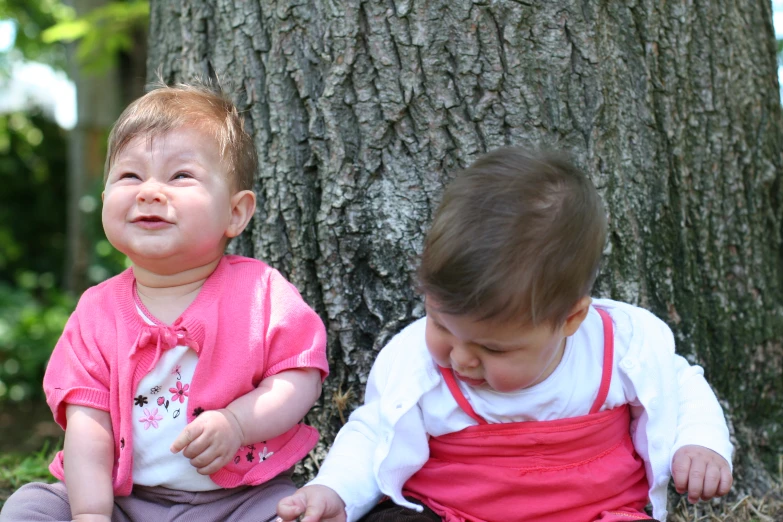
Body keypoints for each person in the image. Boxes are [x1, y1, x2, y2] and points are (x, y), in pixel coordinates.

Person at [275, 148, 734, 522]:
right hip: (451, 511)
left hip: (596, 511)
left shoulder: (620, 345)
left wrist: (701, 442)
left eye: (492, 348)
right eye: (440, 324)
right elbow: (373, 432)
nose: (461, 358)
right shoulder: (416, 361)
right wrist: (333, 490)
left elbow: (680, 386)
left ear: (571, 320)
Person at [0, 83, 329, 522]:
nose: (149, 191)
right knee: (30, 508)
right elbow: (88, 424)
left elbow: (299, 377)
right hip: (126, 501)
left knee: (290, 514)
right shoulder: (96, 312)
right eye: (130, 176)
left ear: (236, 213)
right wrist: (91, 514)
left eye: (181, 176)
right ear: (104, 203)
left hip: (237, 500)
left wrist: (237, 423)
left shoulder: (260, 292)